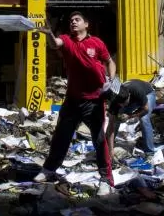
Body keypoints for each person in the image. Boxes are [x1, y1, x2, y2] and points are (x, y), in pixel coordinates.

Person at [34, 12, 117, 196]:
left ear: (86, 24)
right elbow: (55, 44)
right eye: (71, 20)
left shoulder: (96, 42)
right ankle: (49, 170)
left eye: (77, 20)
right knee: (61, 136)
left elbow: (109, 61)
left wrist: (111, 80)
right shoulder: (66, 39)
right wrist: (49, 33)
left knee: (99, 140)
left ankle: (106, 180)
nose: (73, 22)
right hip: (72, 100)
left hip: (94, 100)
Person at [106, 79, 157, 157]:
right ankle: (108, 147)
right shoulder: (114, 102)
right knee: (116, 119)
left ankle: (150, 152)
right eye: (121, 104)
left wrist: (130, 116)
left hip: (148, 93)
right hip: (132, 99)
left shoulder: (137, 90)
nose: (123, 106)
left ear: (129, 95)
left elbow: (145, 109)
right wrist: (110, 150)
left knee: (144, 119)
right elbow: (110, 126)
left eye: (124, 103)